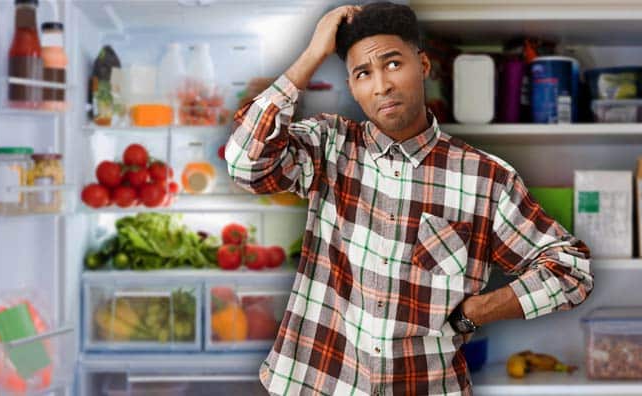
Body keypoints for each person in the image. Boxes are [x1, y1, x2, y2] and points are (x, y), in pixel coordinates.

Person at [225, 2, 594, 395]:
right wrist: (313, 54)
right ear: (352, 87)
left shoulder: (485, 178)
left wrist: (476, 312)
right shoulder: (328, 146)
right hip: (317, 384)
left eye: (393, 64)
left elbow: (571, 271)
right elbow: (245, 164)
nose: (381, 84)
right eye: (363, 73)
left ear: (423, 65)